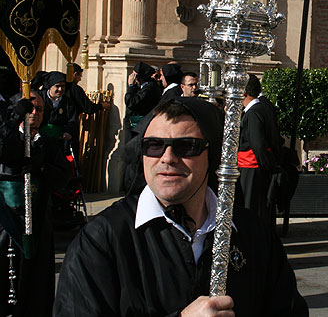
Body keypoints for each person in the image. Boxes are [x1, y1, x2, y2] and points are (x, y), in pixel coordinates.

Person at [54, 97, 308, 316]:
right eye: (153, 145)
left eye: (186, 146)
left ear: (213, 156)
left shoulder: (253, 233)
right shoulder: (102, 239)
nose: (167, 158)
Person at [0, 92, 70, 316]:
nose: (34, 114)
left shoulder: (48, 142)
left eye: (39, 109)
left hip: (38, 220)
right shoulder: (8, 137)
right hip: (6, 221)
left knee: (35, 281)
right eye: (29, 108)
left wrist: (42, 170)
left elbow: (64, 176)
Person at [238, 75, 282, 225]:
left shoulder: (254, 112)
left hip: (253, 168)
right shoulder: (261, 108)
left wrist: (266, 166)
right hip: (255, 167)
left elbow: (258, 144)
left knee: (251, 207)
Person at [38, 71, 77, 144]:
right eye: (57, 86)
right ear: (50, 86)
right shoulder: (39, 98)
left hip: (59, 140)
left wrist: (68, 132)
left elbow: (72, 120)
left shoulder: (68, 102)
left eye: (63, 86)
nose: (60, 89)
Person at [124, 61, 162, 131]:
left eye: (134, 75)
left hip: (141, 125)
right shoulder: (144, 86)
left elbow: (131, 102)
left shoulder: (149, 89)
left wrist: (131, 86)